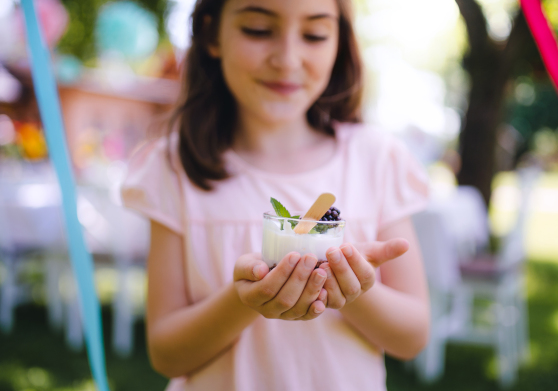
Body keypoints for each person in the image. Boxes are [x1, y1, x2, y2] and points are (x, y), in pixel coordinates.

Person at [121, 0, 431, 390]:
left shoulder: (376, 159)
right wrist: (243, 301)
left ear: (339, 42)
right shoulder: (174, 167)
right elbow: (167, 354)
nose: (287, 59)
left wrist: (354, 290)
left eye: (314, 34)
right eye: (257, 29)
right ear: (213, 34)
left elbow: (413, 336)